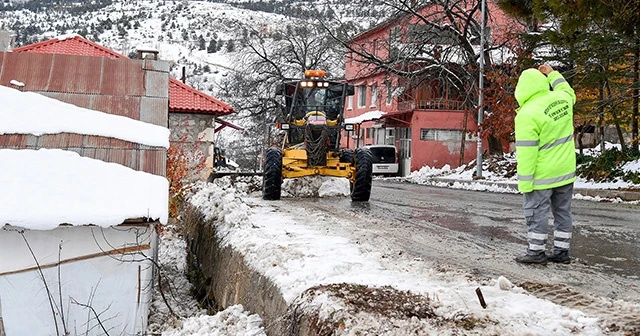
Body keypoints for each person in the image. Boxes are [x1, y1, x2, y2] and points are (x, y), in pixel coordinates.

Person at [513, 64, 577, 264]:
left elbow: (527, 153)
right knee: (562, 211)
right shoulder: (562, 99)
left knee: (536, 212)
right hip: (566, 171)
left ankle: (536, 252)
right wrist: (552, 73)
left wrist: (525, 183)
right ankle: (561, 251)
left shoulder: (526, 115)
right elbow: (567, 89)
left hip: (542, 175)